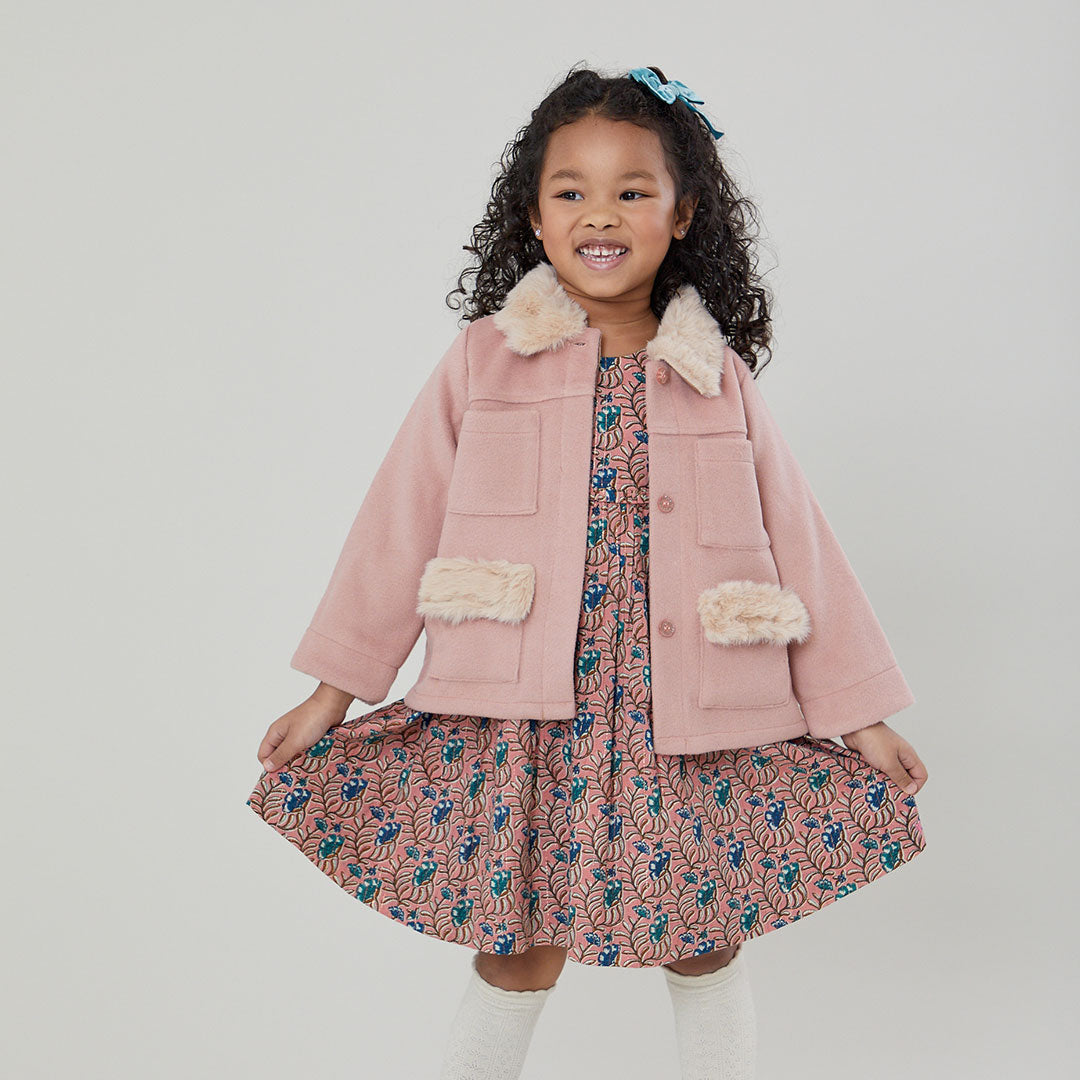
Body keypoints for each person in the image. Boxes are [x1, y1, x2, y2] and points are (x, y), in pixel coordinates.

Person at [245, 63, 929, 1080]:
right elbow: (398, 522)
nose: (599, 213)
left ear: (682, 215)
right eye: (571, 190)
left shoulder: (718, 377)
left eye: (632, 190)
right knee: (518, 949)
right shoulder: (483, 362)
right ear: (534, 213)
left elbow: (801, 541)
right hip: (527, 713)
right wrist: (331, 690)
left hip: (686, 713)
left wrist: (860, 712)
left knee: (704, 937)